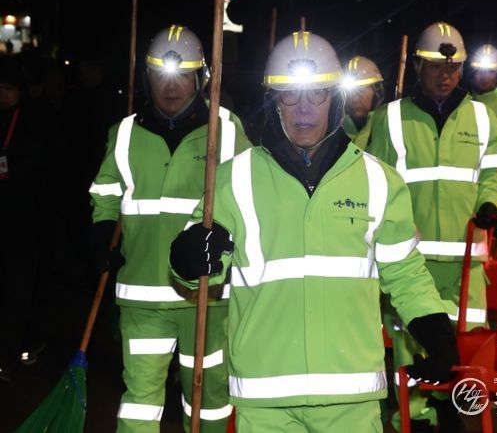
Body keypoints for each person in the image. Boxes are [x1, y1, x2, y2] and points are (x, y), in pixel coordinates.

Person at [168, 30, 458, 433]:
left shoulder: (379, 181)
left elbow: (405, 275)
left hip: (351, 398)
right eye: (290, 95)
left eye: (317, 94)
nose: (304, 108)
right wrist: (187, 258)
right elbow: (200, 269)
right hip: (265, 398)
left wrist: (436, 332)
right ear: (274, 100)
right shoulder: (233, 179)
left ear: (334, 98)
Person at [89, 24, 250, 432]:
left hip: (207, 296)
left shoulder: (227, 130)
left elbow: (250, 198)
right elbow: (106, 191)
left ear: (200, 78)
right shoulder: (125, 132)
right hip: (142, 294)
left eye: (182, 75)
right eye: (161, 75)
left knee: (209, 400)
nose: (171, 86)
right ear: (148, 76)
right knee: (140, 402)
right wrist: (101, 230)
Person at [365, 21, 497, 431]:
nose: (445, 75)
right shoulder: (391, 117)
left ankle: (452, 415)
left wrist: (489, 202)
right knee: (411, 354)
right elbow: (373, 179)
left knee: (465, 354)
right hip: (409, 266)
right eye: (436, 67)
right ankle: (414, 420)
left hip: (466, 266)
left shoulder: (481, 116)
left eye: (453, 68)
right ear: (417, 65)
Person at [0, 54, 52, 383]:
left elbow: (42, 170)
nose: (3, 94)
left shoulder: (34, 122)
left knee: (18, 291)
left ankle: (9, 356)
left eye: (8, 88)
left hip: (23, 224)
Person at [341, 55, 385, 148]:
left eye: (360, 91)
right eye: (349, 93)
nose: (354, 99)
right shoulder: (336, 131)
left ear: (377, 91)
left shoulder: (390, 127)